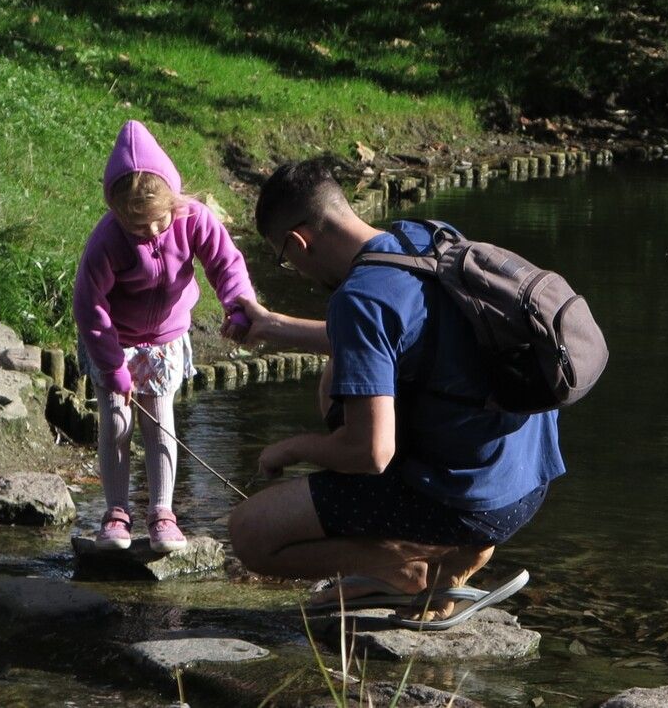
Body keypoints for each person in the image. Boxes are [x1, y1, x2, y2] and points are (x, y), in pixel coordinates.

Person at [228, 159, 564, 624]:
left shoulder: (358, 298)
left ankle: (407, 570)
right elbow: (383, 338)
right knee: (338, 380)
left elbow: (371, 453)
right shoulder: (427, 236)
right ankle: (456, 555)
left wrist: (288, 449)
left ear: (300, 242)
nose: (294, 271)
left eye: (284, 258)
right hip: (530, 478)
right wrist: (274, 327)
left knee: (250, 534)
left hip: (476, 502)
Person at [74, 120, 254, 553]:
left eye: (159, 221)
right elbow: (89, 305)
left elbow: (225, 263)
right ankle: (117, 511)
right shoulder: (106, 241)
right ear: (119, 216)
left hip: (164, 339)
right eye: (139, 228)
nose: (152, 233)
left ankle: (162, 512)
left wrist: (238, 305)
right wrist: (112, 364)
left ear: (174, 198)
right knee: (116, 422)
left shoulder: (192, 218)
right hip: (115, 341)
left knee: (160, 424)